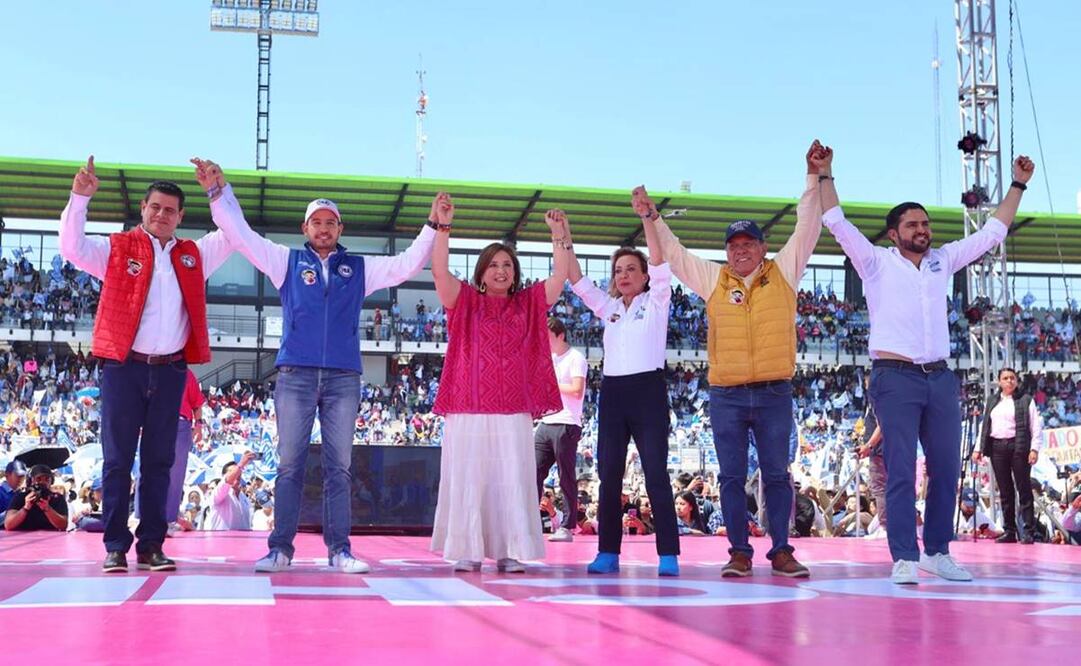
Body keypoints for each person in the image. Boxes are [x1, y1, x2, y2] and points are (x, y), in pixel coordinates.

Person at [195, 157, 439, 574]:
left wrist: (432, 226)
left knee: (338, 468)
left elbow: (407, 265)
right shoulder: (284, 261)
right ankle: (280, 549)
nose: (324, 229)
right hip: (296, 375)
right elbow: (241, 235)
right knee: (289, 464)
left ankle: (340, 550)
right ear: (305, 229)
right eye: (316, 222)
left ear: (340, 230)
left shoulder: (359, 267)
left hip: (344, 377)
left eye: (331, 223)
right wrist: (219, 193)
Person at [820, 149, 1036, 584]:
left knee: (945, 469)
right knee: (900, 469)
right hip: (894, 377)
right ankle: (903, 555)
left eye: (925, 224)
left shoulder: (942, 260)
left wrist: (1018, 184)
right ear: (893, 234)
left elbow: (994, 231)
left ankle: (937, 551)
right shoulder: (875, 262)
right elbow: (837, 222)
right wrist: (824, 174)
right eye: (913, 225)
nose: (923, 230)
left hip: (939, 378)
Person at [648, 142, 827, 578]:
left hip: (773, 390)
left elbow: (808, 226)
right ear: (727, 251)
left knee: (777, 475)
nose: (741, 250)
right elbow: (674, 255)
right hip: (726, 393)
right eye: (734, 244)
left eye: (749, 243)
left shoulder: (783, 272)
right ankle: (738, 551)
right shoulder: (713, 279)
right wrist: (651, 218)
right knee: (729, 477)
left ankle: (781, 549)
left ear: (764, 248)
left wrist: (813, 176)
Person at [61, 156, 234, 574]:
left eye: (170, 210)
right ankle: (116, 545)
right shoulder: (117, 248)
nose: (162, 215)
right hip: (125, 367)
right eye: (155, 207)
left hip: (172, 368)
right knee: (117, 459)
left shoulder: (193, 255)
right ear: (143, 208)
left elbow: (232, 235)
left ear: (180, 216)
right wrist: (79, 199)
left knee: (160, 461)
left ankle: (152, 543)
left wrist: (219, 191)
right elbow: (71, 247)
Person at [429, 206, 567, 573]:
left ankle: (509, 550)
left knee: (511, 478)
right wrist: (443, 226)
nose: (501, 270)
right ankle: (468, 550)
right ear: (481, 272)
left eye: (508, 264)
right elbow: (440, 271)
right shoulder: (464, 301)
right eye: (494, 265)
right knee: (470, 476)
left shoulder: (528, 303)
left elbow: (561, 276)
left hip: (512, 408)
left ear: (515, 273)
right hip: (467, 406)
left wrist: (559, 234)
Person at [566, 191, 681, 577]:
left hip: (648, 391)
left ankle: (667, 554)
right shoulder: (610, 308)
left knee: (655, 473)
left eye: (631, 269)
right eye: (618, 271)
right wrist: (563, 237)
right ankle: (607, 552)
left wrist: (648, 216)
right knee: (608, 474)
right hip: (613, 394)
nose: (623, 275)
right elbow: (577, 280)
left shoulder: (658, 299)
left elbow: (661, 257)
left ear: (646, 276)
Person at [973, 367, 1043, 544]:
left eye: (1012, 378)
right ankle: (1009, 531)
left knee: (1024, 488)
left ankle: (1028, 531)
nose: (1009, 381)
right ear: (999, 381)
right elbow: (984, 426)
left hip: (1018, 446)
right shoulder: (992, 401)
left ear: (1017, 381)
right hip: (997, 448)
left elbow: (1036, 427)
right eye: (1005, 378)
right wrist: (977, 448)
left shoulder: (1026, 400)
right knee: (1005, 491)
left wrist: (1034, 449)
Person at [535, 316, 588, 543]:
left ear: (560, 335)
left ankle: (567, 525)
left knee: (566, 476)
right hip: (546, 422)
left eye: (548, 337)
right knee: (533, 471)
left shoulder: (576, 358)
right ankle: (529, 521)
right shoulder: (548, 358)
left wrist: (551, 383)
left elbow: (577, 389)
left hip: (567, 422)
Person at [3, 464, 68, 531]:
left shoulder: (57, 498)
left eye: (47, 479)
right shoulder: (20, 497)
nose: (43, 482)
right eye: (38, 479)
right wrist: (25, 508)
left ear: (52, 481)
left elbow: (63, 526)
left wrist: (47, 509)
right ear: (30, 481)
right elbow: (8, 525)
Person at [857, 401, 888, 538]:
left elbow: (882, 424)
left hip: (879, 450)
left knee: (880, 488)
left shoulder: (878, 396)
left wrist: (869, 446)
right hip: (887, 449)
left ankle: (884, 526)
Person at [204, 453, 256, 531]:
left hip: (243, 541)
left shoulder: (244, 497)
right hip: (221, 541)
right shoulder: (219, 493)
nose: (237, 474)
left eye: (238, 472)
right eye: (232, 472)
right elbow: (228, 481)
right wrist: (241, 464)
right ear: (223, 476)